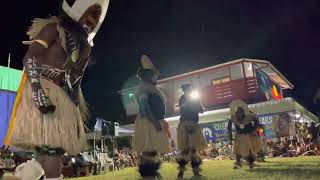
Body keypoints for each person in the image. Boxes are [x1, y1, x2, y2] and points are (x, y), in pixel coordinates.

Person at [4, 0, 109, 179]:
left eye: (97, 16)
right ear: (78, 10)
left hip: (61, 97)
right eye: (90, 13)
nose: (92, 20)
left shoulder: (85, 49)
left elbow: (75, 82)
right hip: (40, 88)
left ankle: (24, 176)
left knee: (48, 151)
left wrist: (75, 113)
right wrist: (37, 91)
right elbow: (30, 56)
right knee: (53, 150)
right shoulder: (53, 29)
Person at [132, 54, 170, 179]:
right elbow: (144, 107)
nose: (156, 77)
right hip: (148, 122)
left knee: (152, 151)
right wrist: (154, 122)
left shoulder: (151, 88)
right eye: (153, 75)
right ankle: (148, 175)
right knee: (149, 150)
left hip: (153, 121)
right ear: (147, 76)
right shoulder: (142, 88)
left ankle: (151, 174)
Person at [176, 84, 207, 178]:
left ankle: (196, 171)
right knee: (185, 150)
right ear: (184, 90)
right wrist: (188, 127)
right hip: (185, 124)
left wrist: (196, 104)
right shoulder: (182, 98)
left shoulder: (194, 98)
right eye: (187, 89)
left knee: (193, 150)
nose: (189, 91)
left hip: (194, 123)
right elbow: (183, 111)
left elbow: (201, 110)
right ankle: (181, 172)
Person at [228, 100, 261, 169]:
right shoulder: (233, 117)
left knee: (249, 150)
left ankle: (250, 163)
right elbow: (229, 127)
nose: (239, 114)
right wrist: (230, 137)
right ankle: (238, 163)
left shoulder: (249, 115)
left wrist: (253, 129)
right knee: (237, 150)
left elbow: (256, 121)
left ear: (243, 112)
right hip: (239, 135)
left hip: (248, 135)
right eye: (237, 113)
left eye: (240, 112)